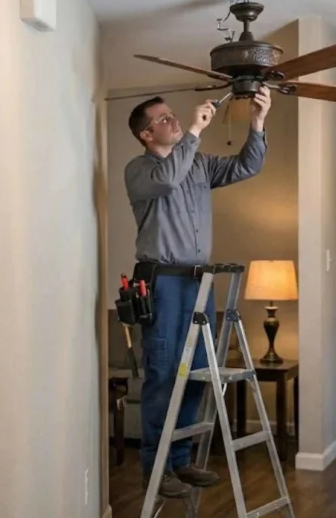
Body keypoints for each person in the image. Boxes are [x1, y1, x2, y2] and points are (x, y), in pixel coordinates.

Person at [124, 86, 272, 498]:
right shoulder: (139, 170)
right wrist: (192, 131)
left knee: (197, 372)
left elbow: (248, 165)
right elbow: (168, 179)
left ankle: (181, 459)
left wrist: (257, 122)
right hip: (163, 282)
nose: (173, 119)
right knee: (163, 374)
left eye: (172, 114)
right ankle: (156, 469)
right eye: (164, 119)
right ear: (146, 135)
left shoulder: (199, 164)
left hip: (199, 283)